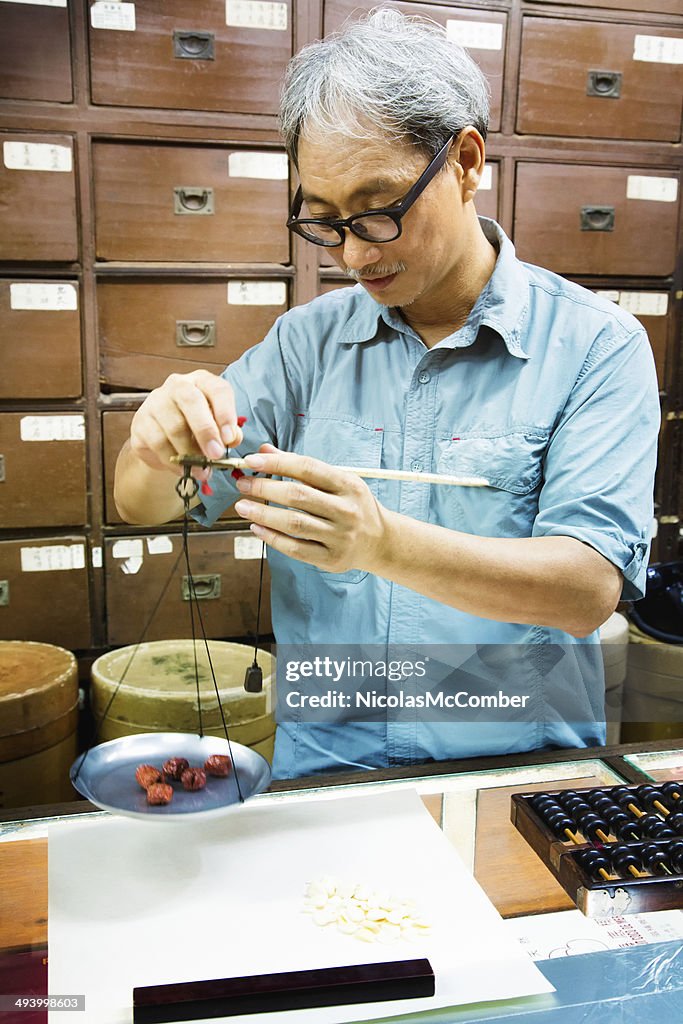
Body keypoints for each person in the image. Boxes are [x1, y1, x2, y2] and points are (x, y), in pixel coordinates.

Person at [114, 8, 660, 779]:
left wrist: (381, 544)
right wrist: (150, 442)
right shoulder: (307, 344)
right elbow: (145, 503)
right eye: (326, 222)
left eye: (378, 210)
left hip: (511, 767)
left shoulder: (594, 346)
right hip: (324, 770)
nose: (353, 254)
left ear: (466, 160)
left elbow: (586, 590)